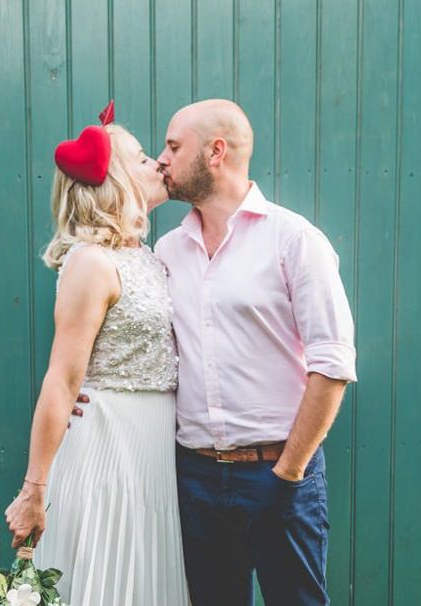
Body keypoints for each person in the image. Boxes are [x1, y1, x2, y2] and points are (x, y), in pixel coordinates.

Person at [153, 99, 358, 606]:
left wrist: (288, 473)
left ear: (216, 152)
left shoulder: (294, 240)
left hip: (278, 475)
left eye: (174, 147)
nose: (162, 159)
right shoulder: (166, 251)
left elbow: (331, 364)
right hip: (196, 478)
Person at [4, 106, 190, 606]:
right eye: (144, 158)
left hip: (152, 453)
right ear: (118, 180)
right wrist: (34, 489)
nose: (158, 166)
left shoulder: (149, 257)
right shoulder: (92, 262)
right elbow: (62, 380)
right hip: (108, 452)